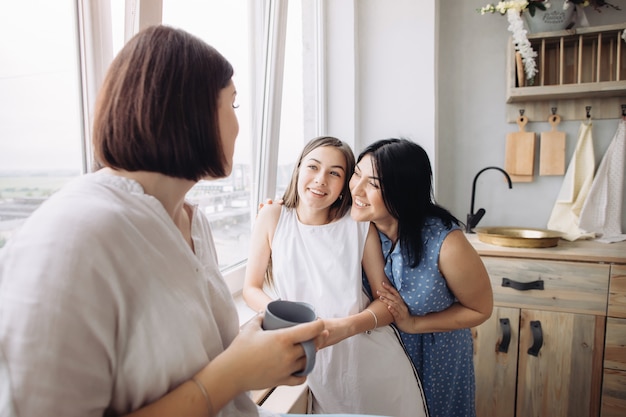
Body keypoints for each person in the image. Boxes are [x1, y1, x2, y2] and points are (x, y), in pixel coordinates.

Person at [0, 25, 390, 417]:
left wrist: (256, 357)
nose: (239, 126)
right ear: (191, 112)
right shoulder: (69, 238)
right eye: (233, 105)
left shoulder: (191, 221)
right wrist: (236, 371)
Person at [243, 137, 428, 417]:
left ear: (345, 186)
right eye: (313, 167)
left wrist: (344, 327)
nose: (320, 180)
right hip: (319, 369)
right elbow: (250, 288)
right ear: (298, 169)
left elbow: (387, 303)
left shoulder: (357, 225)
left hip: (376, 367)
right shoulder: (272, 216)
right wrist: (289, 321)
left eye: (334, 173)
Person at [350, 138, 493, 417]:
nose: (357, 189)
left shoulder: (445, 243)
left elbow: (480, 308)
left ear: (403, 191)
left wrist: (414, 323)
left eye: (373, 184)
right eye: (357, 174)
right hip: (379, 356)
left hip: (437, 360)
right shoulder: (355, 227)